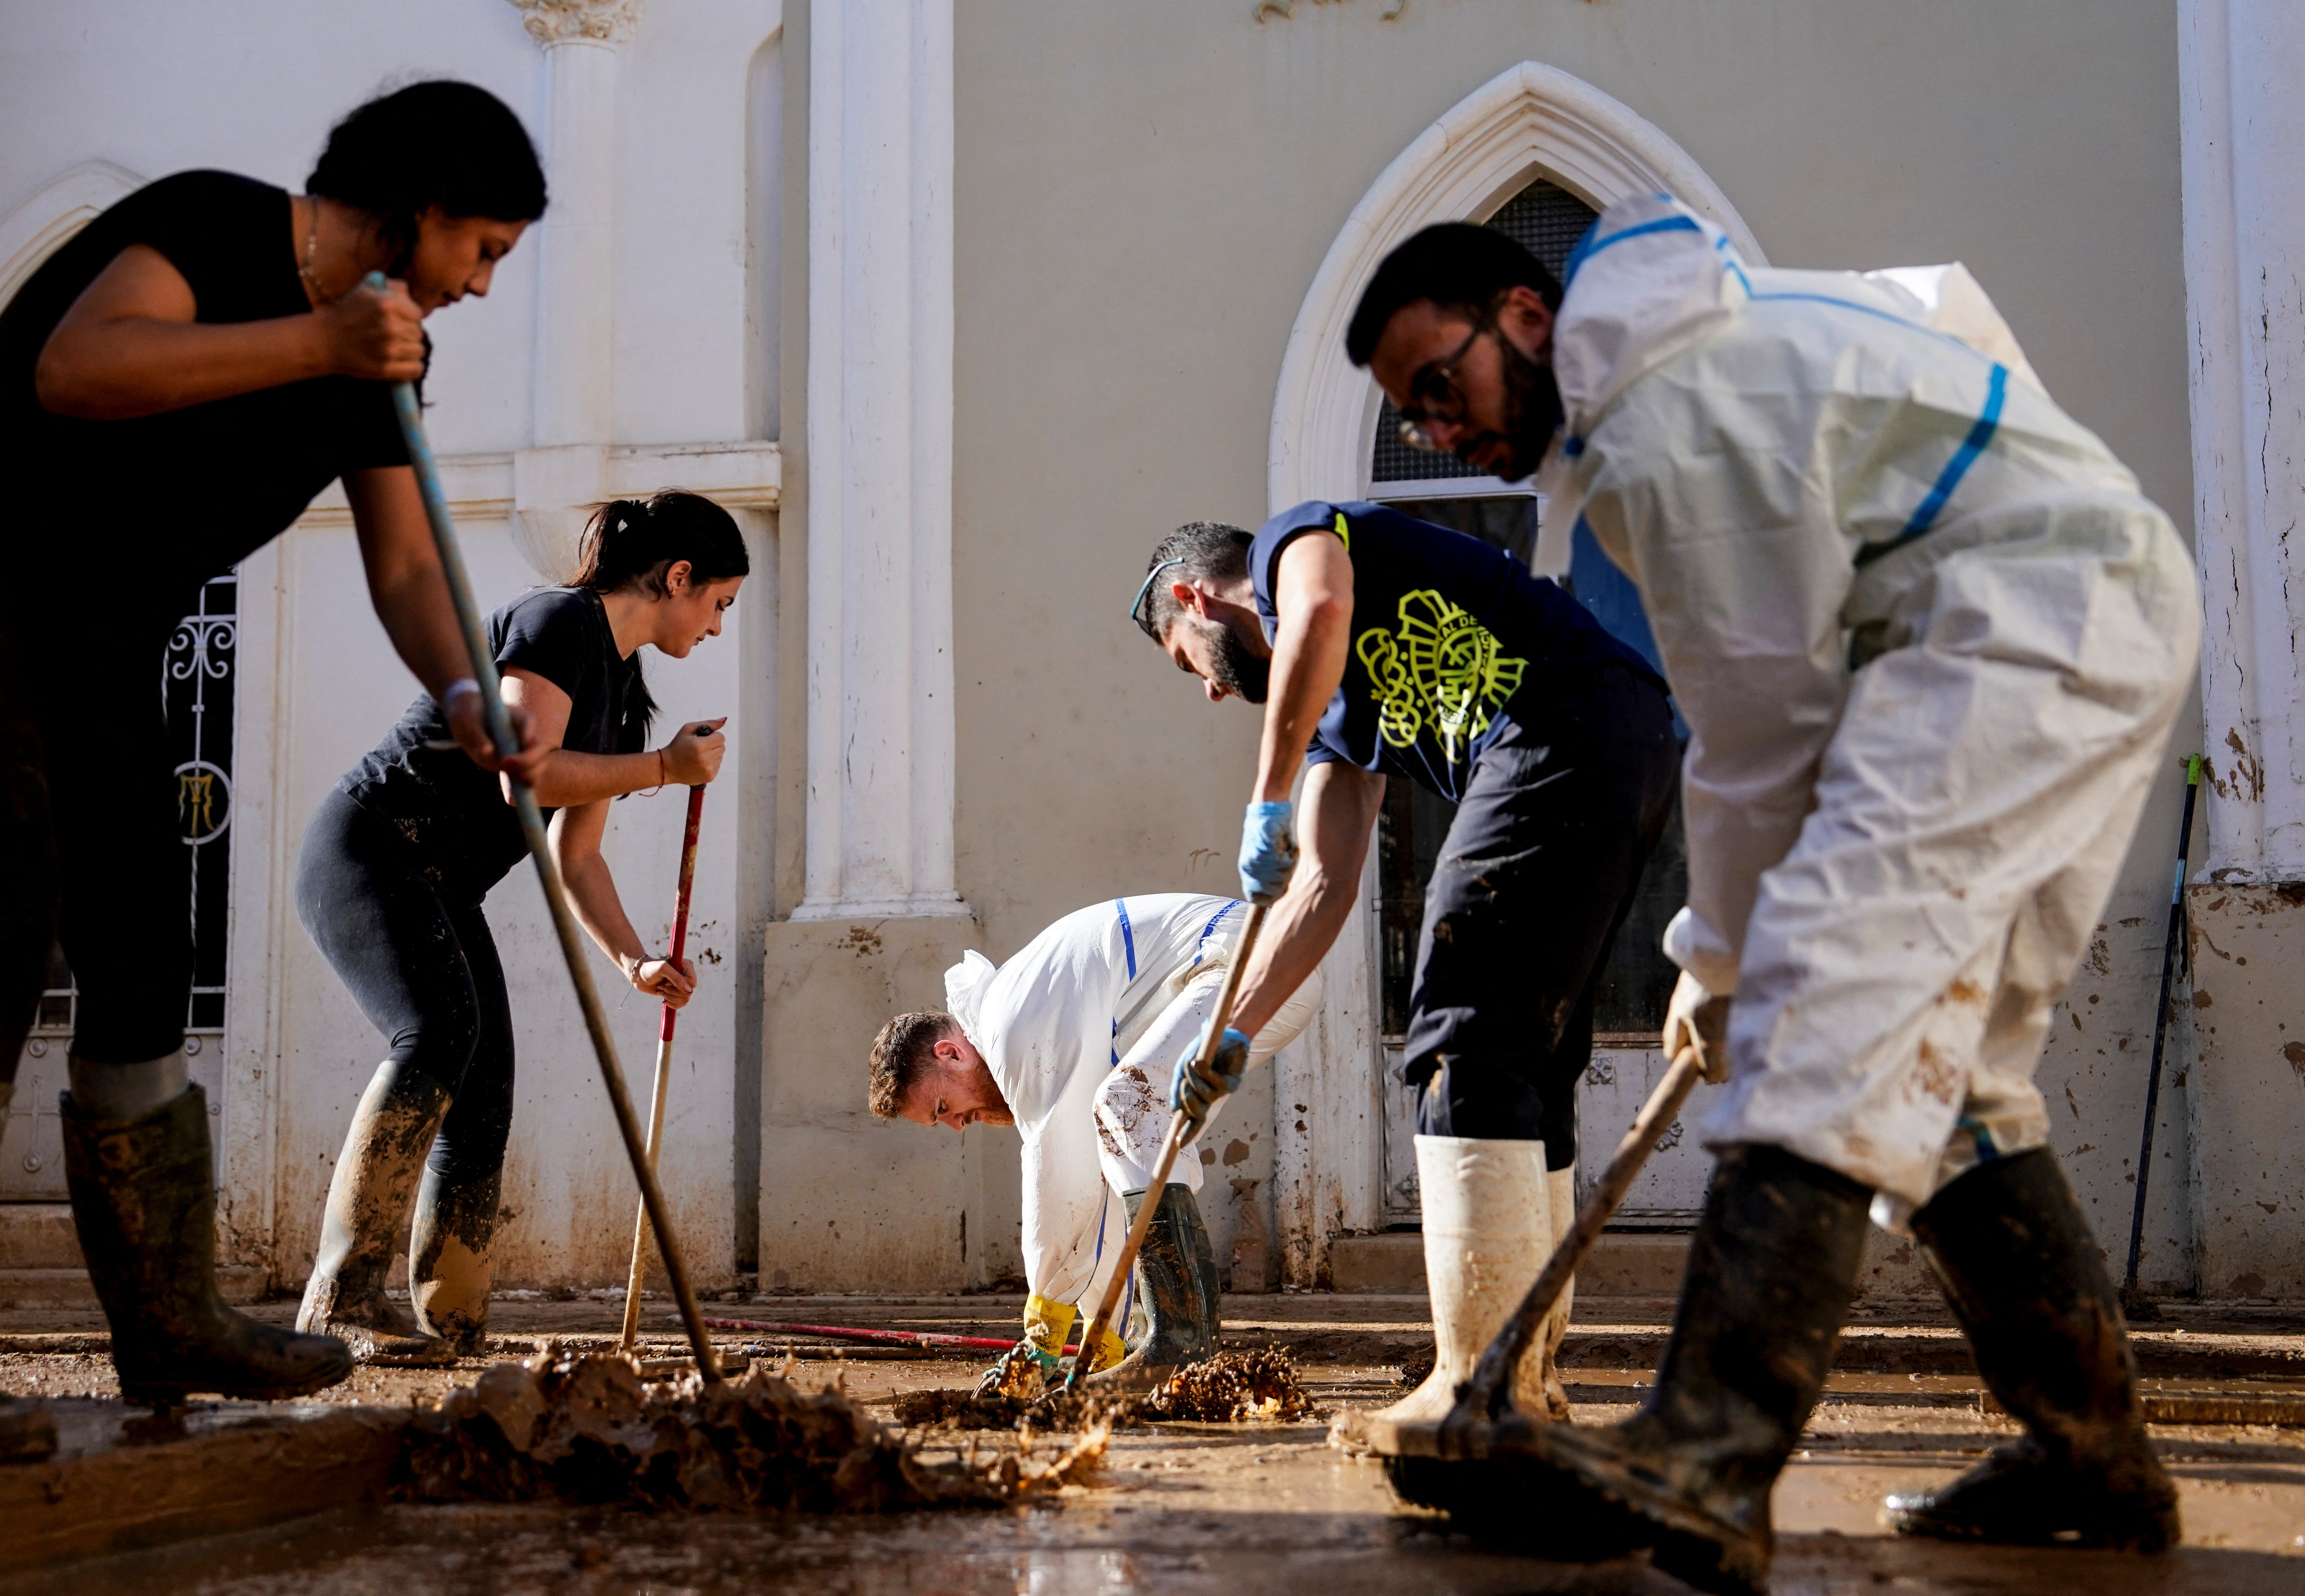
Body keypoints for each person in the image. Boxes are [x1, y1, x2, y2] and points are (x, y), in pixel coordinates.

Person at [1350, 203, 2199, 1591]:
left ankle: (1712, 1445)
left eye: (1440, 383)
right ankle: (2091, 1454)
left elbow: (1759, 742)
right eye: (1411, 415)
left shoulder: (1666, 414)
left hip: (2016, 617)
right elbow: (1773, 725)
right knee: (1954, 1075)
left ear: (1525, 318)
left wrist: (1727, 962)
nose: (1437, 428)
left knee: (1831, 984)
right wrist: (1727, 963)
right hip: (2065, 604)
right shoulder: (1687, 365)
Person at [0, 80, 549, 1459]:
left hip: (94, 641)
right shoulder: (208, 226)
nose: (482, 284)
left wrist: (465, 688)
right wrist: (320, 339)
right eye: (484, 248)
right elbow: (81, 368)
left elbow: (404, 563)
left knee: (146, 950)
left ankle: (167, 1318)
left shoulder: (375, 364)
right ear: (415, 212)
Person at [1131, 481, 1680, 1434]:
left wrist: (1262, 790)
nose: (1214, 691)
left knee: (1463, 1026)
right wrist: (1229, 1034)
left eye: (1190, 669)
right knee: (1526, 1057)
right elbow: (1319, 889)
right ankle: (1527, 1377)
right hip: (1617, 743)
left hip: (1559, 716)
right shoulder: (1339, 722)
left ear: (1193, 598)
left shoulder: (1289, 542)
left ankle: (1475, 1386)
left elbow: (1321, 604)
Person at [294, 493, 742, 1360]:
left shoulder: (625, 695)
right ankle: (343, 1298)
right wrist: (664, 769)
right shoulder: (555, 623)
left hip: (445, 886)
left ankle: (449, 1324)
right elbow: (526, 776)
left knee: (486, 1081)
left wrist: (636, 961)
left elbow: (577, 860)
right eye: (718, 602)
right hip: (372, 850)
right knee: (438, 1033)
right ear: (678, 578)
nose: (718, 627)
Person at [868, 895, 1322, 1385]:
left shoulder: (1010, 1027)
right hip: (1255, 966)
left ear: (951, 1053)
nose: (958, 1124)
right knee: (1129, 1117)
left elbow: (1059, 1177)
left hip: (1250, 962)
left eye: (943, 1108)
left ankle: (1183, 1341)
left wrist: (1041, 1336)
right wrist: (1101, 1341)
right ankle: (1157, 1338)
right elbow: (1099, 1188)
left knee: (1125, 1104)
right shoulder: (1025, 1010)